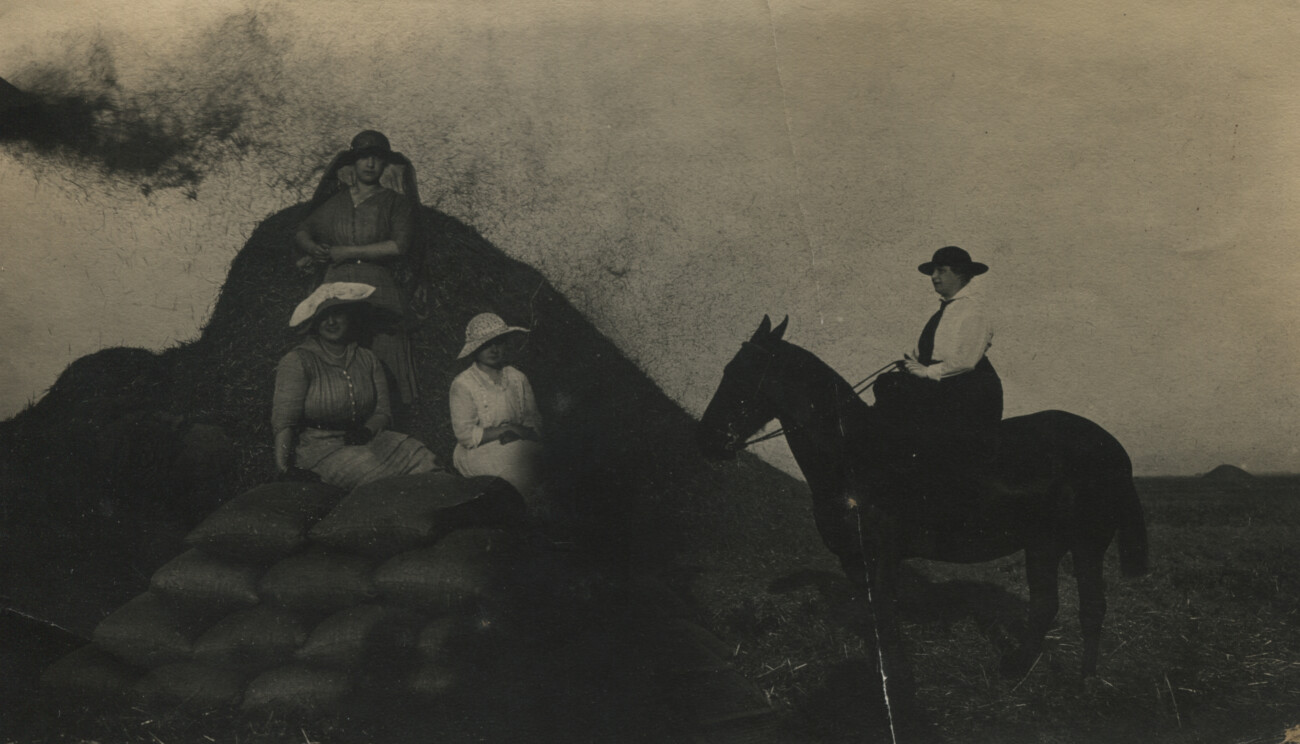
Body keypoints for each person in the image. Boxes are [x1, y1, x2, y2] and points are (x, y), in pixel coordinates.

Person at [272, 282, 441, 490]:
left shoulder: (367, 358)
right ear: (314, 322)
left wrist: (367, 431)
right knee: (378, 477)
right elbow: (284, 421)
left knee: (423, 458)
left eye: (338, 314)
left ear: (350, 317)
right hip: (320, 450)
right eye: (324, 316)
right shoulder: (298, 360)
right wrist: (283, 467)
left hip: (368, 440)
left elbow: (383, 411)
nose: (331, 322)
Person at [294, 130, 420, 404]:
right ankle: (334, 407)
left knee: (383, 345)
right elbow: (303, 230)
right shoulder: (336, 202)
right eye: (364, 157)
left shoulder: (396, 202)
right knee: (337, 345)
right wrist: (312, 248)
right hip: (337, 284)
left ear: (385, 164)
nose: (370, 164)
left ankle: (386, 413)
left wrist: (346, 252)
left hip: (377, 284)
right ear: (353, 162)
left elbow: (398, 246)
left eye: (377, 158)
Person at [873, 246, 1003, 477]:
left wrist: (926, 372)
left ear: (960, 274)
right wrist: (910, 363)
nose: (934, 277)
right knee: (887, 383)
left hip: (970, 390)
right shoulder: (943, 311)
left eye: (941, 271)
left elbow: (966, 361)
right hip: (943, 383)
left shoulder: (973, 312)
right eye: (933, 271)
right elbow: (926, 351)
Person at [449, 313, 545, 502]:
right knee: (516, 471)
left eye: (499, 343)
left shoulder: (517, 378)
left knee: (543, 460)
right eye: (486, 344)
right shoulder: (463, 384)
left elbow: (533, 420)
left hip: (518, 442)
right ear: (475, 349)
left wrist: (523, 433)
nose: (494, 350)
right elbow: (466, 436)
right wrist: (508, 429)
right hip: (478, 449)